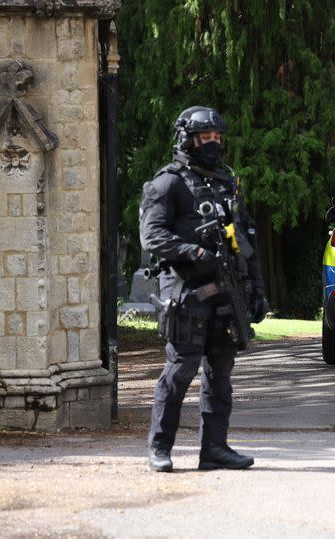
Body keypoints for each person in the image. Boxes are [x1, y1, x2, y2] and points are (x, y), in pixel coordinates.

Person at [139, 106, 269, 472]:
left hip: (226, 292)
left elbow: (247, 238)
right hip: (186, 290)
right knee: (181, 369)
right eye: (204, 137)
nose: (212, 142)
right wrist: (193, 251)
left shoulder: (226, 181)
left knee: (220, 372)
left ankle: (214, 449)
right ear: (187, 139)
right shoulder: (168, 182)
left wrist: (257, 290)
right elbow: (152, 237)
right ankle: (160, 448)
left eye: (217, 136)